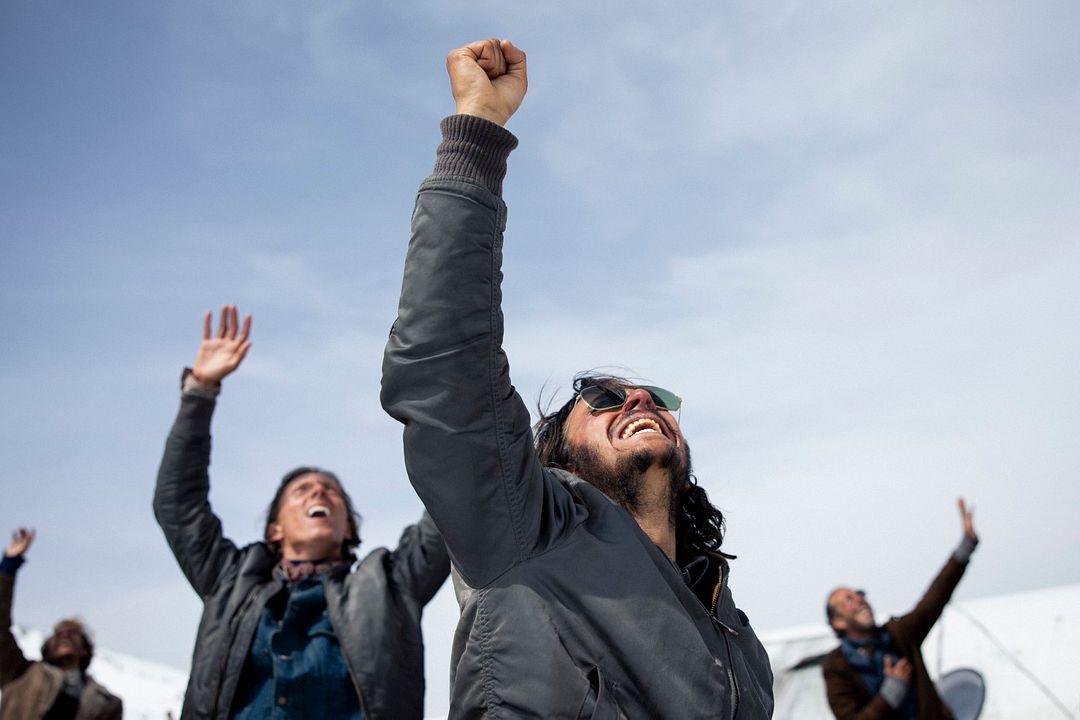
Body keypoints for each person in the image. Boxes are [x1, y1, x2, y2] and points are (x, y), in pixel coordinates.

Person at [381, 38, 773, 718]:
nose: (640, 398)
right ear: (554, 455)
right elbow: (446, 372)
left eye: (656, 398)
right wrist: (477, 132)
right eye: (604, 398)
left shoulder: (735, 630)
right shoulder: (527, 532)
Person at [154, 306, 450, 720]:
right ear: (274, 529)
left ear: (349, 529)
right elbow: (179, 505)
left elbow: (452, 504)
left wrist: (446, 396)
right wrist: (199, 391)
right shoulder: (229, 583)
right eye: (302, 490)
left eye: (332, 491)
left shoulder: (391, 586)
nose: (319, 491)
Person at [822, 498, 979, 720]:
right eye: (847, 600)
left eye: (859, 594)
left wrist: (965, 547)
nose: (858, 600)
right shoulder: (836, 666)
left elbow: (934, 598)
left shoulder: (898, 635)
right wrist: (890, 694)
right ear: (837, 621)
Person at [1, 527, 123, 720]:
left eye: (73, 633)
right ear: (46, 647)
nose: (64, 635)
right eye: (58, 633)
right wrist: (8, 566)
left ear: (84, 649)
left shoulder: (107, 704)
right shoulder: (20, 674)